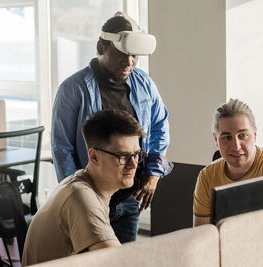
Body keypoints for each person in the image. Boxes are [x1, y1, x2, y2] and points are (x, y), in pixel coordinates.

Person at [51, 12, 172, 243]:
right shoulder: (73, 89)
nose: (129, 62)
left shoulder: (143, 83)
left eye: (134, 56)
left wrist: (153, 174)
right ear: (101, 47)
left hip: (129, 196)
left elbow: (159, 125)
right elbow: (62, 148)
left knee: (123, 259)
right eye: (121, 54)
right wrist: (77, 199)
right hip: (90, 198)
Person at [23, 110, 146, 265]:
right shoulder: (81, 196)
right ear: (94, 156)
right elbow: (118, 263)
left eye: (136, 154)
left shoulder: (86, 183)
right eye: (123, 156)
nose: (133, 164)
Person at [193, 99, 263, 226]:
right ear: (216, 140)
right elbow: (202, 235)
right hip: (224, 244)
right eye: (227, 137)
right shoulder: (207, 176)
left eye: (242, 135)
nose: (236, 146)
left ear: (255, 135)